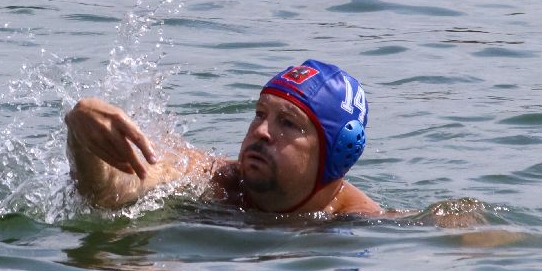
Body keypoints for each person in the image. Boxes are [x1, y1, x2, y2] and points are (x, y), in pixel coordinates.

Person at [64, 59, 383, 216]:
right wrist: (83, 135)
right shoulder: (212, 180)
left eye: (287, 123)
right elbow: (108, 194)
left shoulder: (359, 223)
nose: (260, 131)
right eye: (260, 113)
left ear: (337, 153)